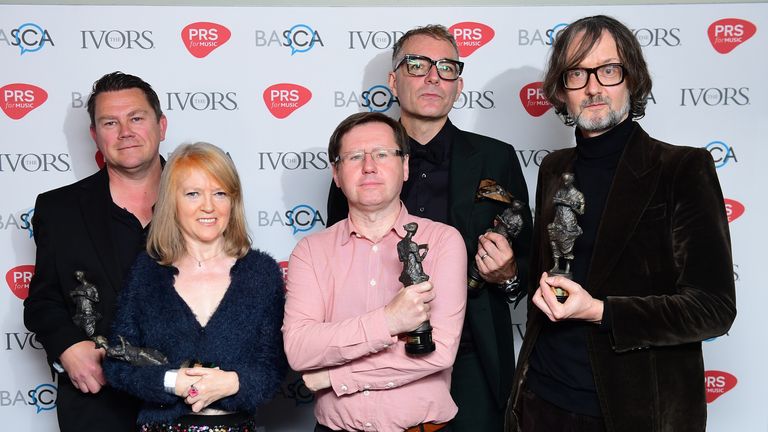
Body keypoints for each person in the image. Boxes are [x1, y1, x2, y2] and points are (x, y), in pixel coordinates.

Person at [505, 15, 737, 432]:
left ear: (631, 78)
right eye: (577, 73)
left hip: (633, 411)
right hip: (542, 399)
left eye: (608, 70)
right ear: (561, 90)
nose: (594, 88)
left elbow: (713, 310)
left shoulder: (682, 169)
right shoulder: (554, 168)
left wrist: (599, 311)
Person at [327, 25, 532, 432]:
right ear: (393, 80)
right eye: (417, 65)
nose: (433, 76)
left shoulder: (496, 157)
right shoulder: (361, 158)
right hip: (377, 352)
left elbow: (526, 261)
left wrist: (508, 275)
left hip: (473, 360)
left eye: (447, 67)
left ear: (458, 84)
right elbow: (338, 254)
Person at [284, 112, 467, 432]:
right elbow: (300, 350)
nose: (369, 166)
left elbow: (437, 353)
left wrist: (333, 376)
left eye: (382, 154)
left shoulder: (442, 242)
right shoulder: (310, 252)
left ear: (405, 166)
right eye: (355, 156)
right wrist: (389, 321)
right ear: (337, 174)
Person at [104, 142, 286, 430]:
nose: (209, 206)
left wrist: (234, 383)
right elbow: (117, 364)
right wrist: (170, 381)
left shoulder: (261, 273)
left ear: (233, 201)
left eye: (220, 193)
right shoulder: (147, 274)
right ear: (172, 202)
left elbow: (274, 368)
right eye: (193, 194)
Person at [24, 71, 166, 432]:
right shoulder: (59, 209)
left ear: (161, 125)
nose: (125, 132)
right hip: (98, 405)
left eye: (136, 118)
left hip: (189, 403)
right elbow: (43, 302)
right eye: (110, 122)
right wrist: (67, 347)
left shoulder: (207, 199)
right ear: (95, 135)